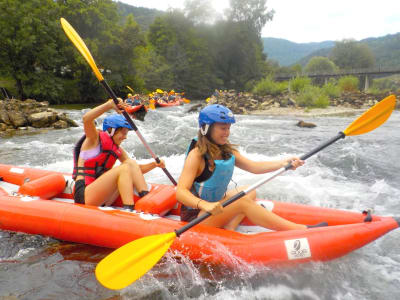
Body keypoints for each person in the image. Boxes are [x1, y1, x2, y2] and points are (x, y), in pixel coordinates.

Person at [176, 104, 327, 231]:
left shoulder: (226, 150)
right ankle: (300, 230)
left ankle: (229, 226)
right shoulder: (196, 155)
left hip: (216, 207)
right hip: (197, 217)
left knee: (250, 191)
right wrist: (205, 205)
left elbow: (254, 167)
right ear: (206, 128)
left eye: (228, 128)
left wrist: (283, 163)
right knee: (242, 202)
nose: (227, 133)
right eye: (223, 128)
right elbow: (181, 192)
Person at [72, 99, 165, 209]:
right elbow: (86, 119)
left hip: (101, 194)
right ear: (112, 130)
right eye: (123, 132)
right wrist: (109, 105)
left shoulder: (117, 149)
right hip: (84, 194)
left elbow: (134, 170)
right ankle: (129, 209)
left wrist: (154, 165)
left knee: (130, 163)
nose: (125, 137)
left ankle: (145, 199)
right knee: (124, 168)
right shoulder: (94, 139)